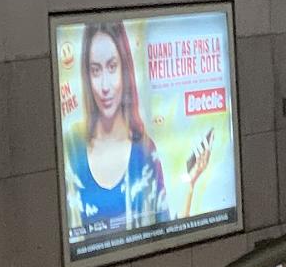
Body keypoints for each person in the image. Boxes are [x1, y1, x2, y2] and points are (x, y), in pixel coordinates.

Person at [63, 22, 213, 241]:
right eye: (96, 70)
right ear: (87, 77)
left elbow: (167, 232)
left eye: (112, 67)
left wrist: (190, 186)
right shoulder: (70, 145)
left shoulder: (144, 150)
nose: (105, 86)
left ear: (125, 70)